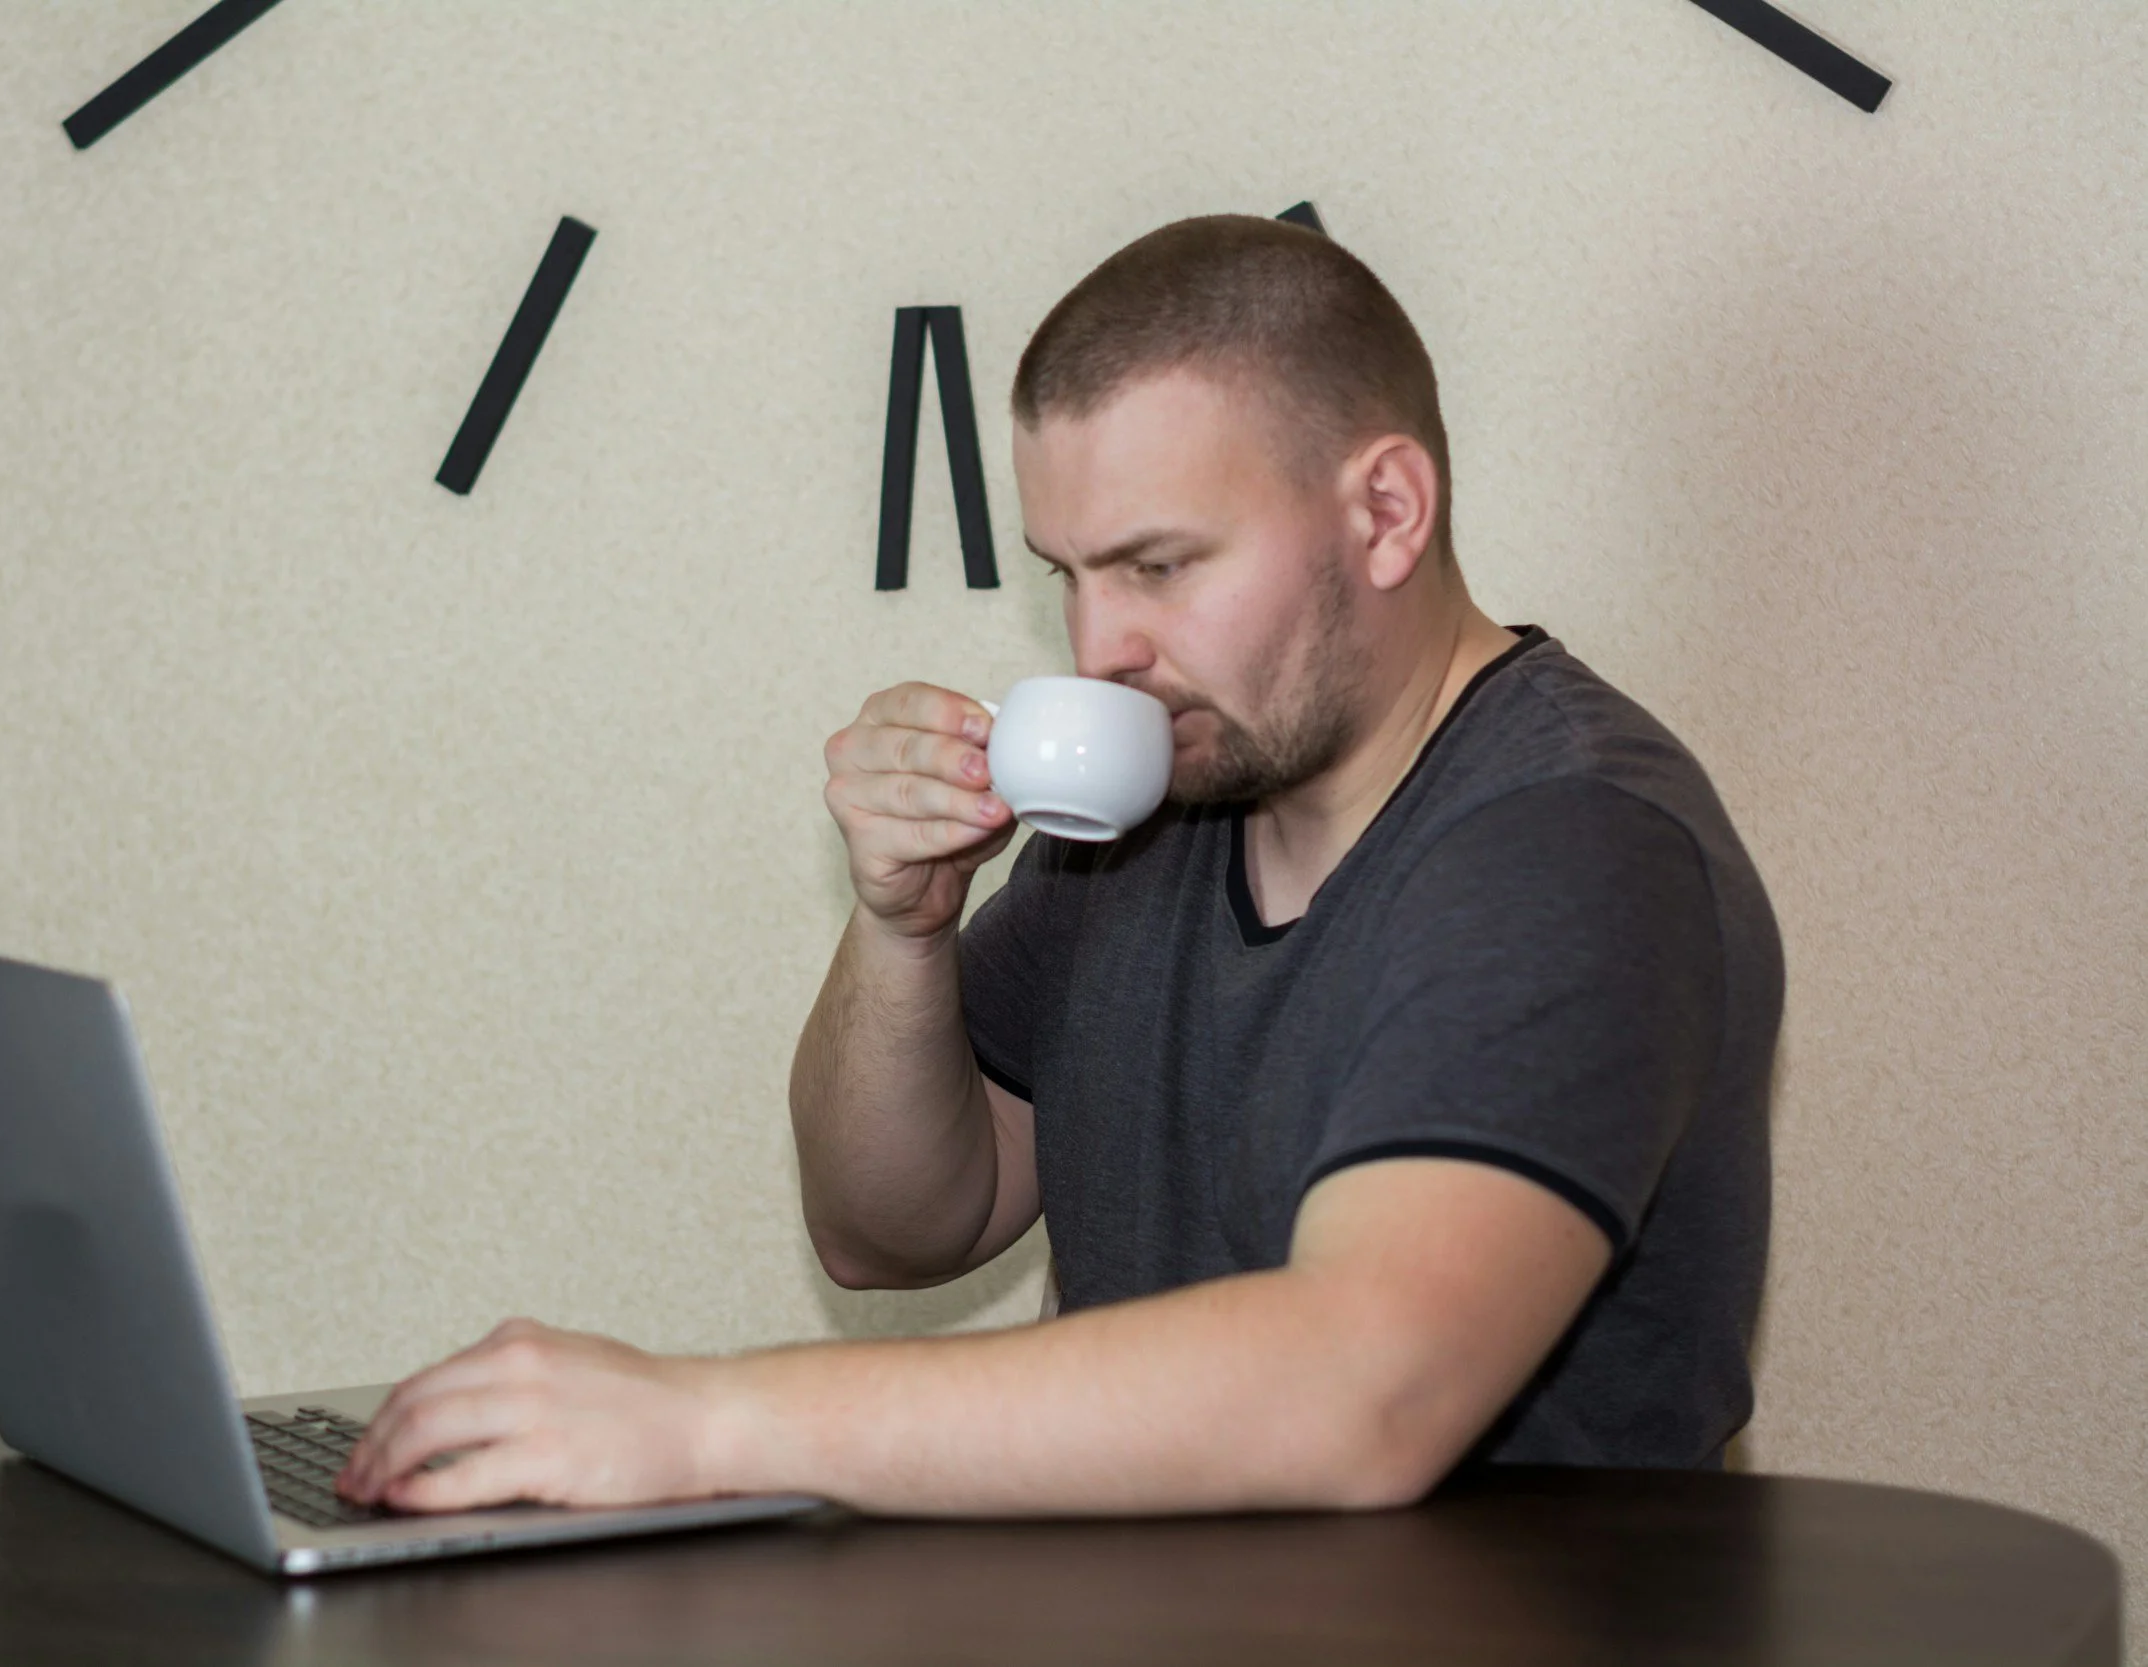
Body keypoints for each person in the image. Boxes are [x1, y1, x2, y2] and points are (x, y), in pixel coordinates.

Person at [338, 215, 1781, 1516]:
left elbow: (1364, 1392)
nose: (1101, 651)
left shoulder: (1571, 843)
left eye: (1160, 566)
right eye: (1068, 574)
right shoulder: (1168, 805)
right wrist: (902, 925)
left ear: (1386, 511)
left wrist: (703, 1417)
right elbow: (893, 1227)